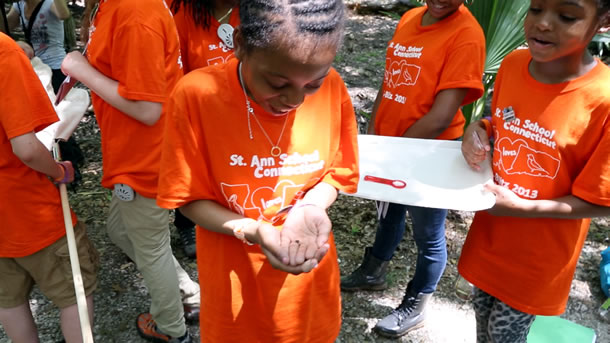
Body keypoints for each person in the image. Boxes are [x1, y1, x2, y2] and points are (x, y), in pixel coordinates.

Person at [156, 0, 359, 341]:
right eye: (278, 84)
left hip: (309, 290)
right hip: (234, 292)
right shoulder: (196, 96)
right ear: (240, 45)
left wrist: (311, 206)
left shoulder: (334, 88)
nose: (295, 99)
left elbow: (336, 173)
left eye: (313, 84)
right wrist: (254, 230)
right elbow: (187, 198)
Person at [459, 0, 610, 341]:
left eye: (567, 16)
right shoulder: (512, 64)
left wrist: (523, 208)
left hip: (538, 259)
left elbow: (603, 200)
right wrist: (479, 129)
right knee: (481, 321)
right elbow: (504, 121)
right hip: (490, 239)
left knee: (503, 335)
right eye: (536, 8)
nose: (542, 23)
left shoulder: (603, 98)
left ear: (603, 21)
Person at [339, 0, 486, 338]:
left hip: (428, 154)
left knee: (428, 234)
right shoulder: (408, 18)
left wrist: (394, 153)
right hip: (392, 148)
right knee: (388, 213)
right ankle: (374, 270)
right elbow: (389, 83)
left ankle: (416, 303)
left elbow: (442, 116)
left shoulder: (466, 35)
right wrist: (375, 134)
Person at [60, 0, 201, 342]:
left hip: (146, 158)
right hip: (132, 155)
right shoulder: (116, 7)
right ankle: (187, 293)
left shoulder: (137, 12)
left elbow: (149, 109)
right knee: (121, 230)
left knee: (148, 245)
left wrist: (81, 70)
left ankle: (172, 329)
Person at [0, 32, 98, 343]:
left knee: (9, 301)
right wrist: (58, 170)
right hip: (27, 207)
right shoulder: (2, 51)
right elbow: (26, 148)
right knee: (73, 294)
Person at [169, 0, 240, 258]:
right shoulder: (183, 16)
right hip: (200, 114)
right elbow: (178, 71)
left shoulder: (253, 11)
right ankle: (186, 224)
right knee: (193, 169)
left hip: (247, 113)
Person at [3, 0, 71, 93]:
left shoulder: (50, 3)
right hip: (35, 67)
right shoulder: (19, 5)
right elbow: (3, 28)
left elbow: (63, 14)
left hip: (55, 68)